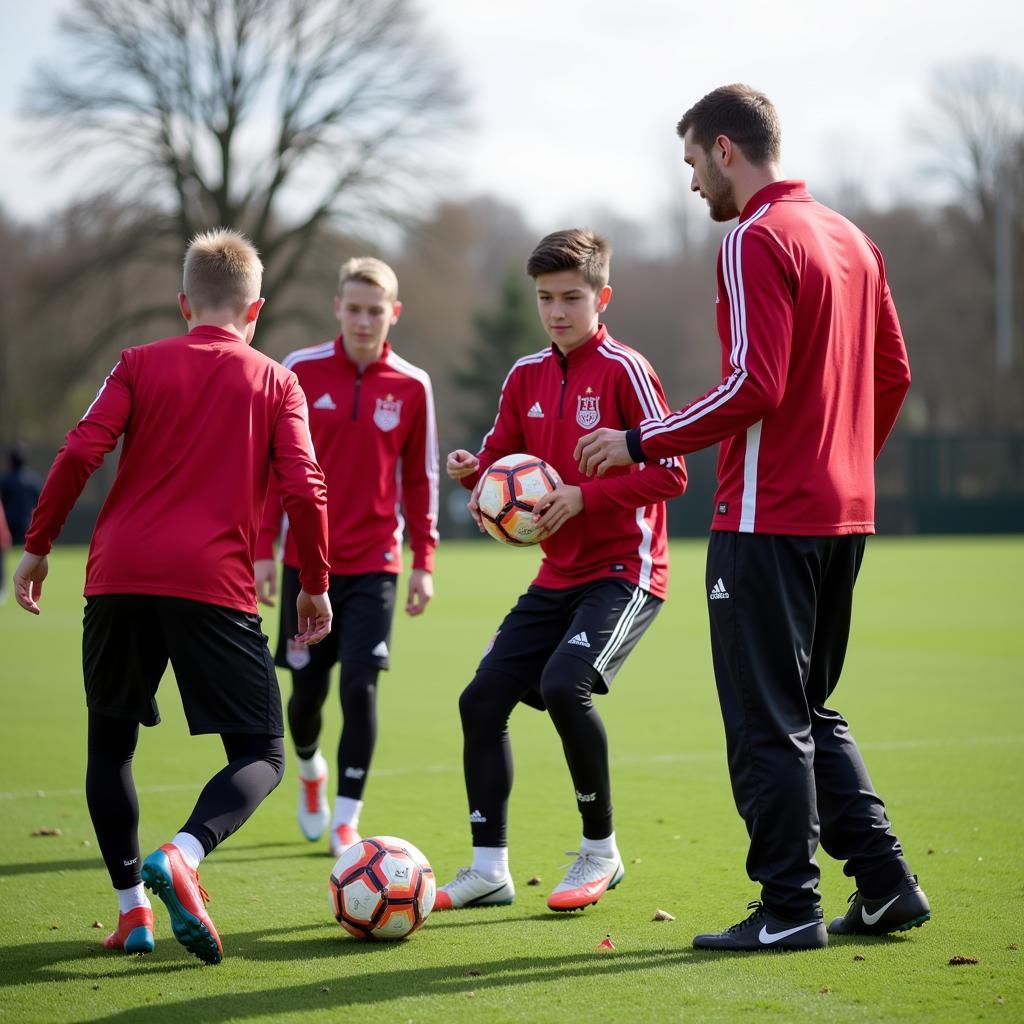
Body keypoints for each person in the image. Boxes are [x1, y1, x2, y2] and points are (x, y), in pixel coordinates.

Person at [575, 85, 926, 951]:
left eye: (693, 162)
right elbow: (894, 374)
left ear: (725, 149)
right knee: (809, 705)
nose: (693, 183)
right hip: (840, 518)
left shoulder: (754, 236)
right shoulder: (853, 238)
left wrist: (641, 440)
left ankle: (788, 908)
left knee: (767, 718)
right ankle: (883, 885)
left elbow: (753, 385)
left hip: (766, 520)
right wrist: (843, 468)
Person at [14, 229, 332, 965]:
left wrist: (37, 546)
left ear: (184, 302)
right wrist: (314, 584)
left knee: (110, 743)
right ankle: (185, 852)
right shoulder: (277, 381)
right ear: (256, 309)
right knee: (262, 750)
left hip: (118, 574)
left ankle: (132, 911)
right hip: (212, 584)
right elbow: (306, 487)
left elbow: (79, 450)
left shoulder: (135, 363)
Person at [439, 228, 687, 913]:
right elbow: (498, 461)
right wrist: (472, 474)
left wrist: (586, 496)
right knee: (480, 701)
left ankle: (601, 852)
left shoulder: (626, 371)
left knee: (562, 685)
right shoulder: (524, 376)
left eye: (571, 298)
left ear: (601, 298)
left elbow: (673, 472)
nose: (556, 311)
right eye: (545, 298)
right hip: (557, 575)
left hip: (625, 570)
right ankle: (489, 868)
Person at [255, 257, 438, 857]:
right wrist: (263, 550)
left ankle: (347, 820)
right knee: (306, 699)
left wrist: (424, 562)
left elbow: (422, 479)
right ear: (338, 307)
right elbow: (270, 469)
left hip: (376, 566)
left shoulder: (413, 385)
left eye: (375, 310)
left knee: (361, 688)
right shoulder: (299, 371)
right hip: (307, 566)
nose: (364, 321)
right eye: (354, 309)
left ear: (395, 314)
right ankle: (310, 772)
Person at [0, 444, 42, 544]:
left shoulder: (5, 480)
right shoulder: (34, 480)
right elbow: (39, 503)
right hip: (27, 525)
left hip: (9, 526)